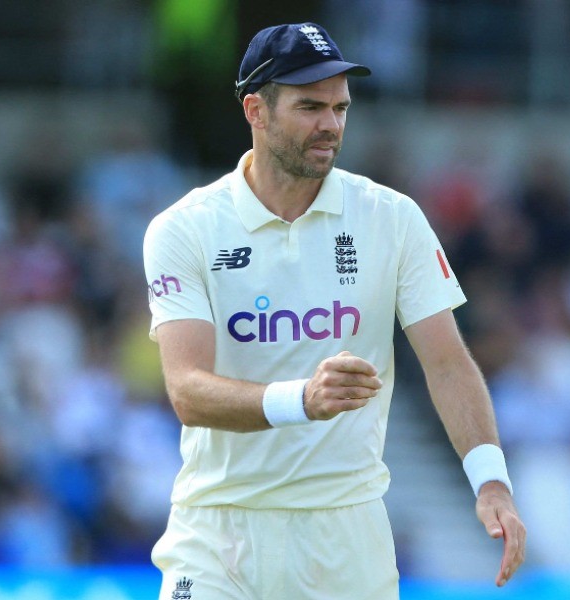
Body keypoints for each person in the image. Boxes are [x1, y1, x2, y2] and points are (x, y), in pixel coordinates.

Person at [142, 22, 525, 599]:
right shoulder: (185, 228)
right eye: (310, 107)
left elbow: (447, 362)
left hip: (346, 538)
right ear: (255, 111)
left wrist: (491, 482)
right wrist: (303, 399)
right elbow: (187, 390)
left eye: (340, 108)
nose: (331, 125)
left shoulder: (391, 218)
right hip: (219, 530)